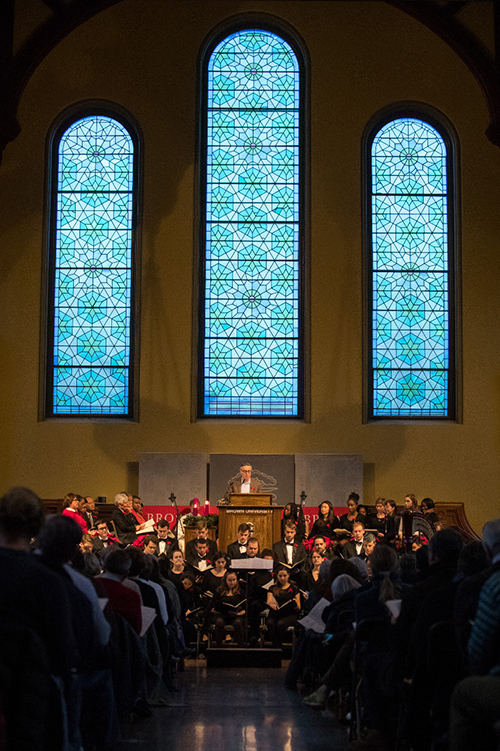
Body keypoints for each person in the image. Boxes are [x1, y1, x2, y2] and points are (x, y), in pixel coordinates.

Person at [266, 567, 301, 648]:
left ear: (288, 575)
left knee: (281, 623)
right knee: (270, 622)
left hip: (289, 614)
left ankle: (278, 646)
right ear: (277, 576)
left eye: (284, 576)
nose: (282, 578)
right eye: (280, 576)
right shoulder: (272, 588)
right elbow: (269, 601)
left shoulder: (294, 588)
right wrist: (272, 605)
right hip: (276, 613)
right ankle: (276, 646)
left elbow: (299, 607)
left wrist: (295, 606)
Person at [212, 571, 246, 647]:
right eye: (229, 580)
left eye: (234, 580)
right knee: (219, 622)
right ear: (225, 580)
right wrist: (215, 609)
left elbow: (245, 607)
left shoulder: (241, 591)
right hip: (222, 615)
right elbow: (213, 606)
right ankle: (218, 647)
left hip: (235, 615)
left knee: (238, 622)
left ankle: (241, 647)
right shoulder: (219, 591)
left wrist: (241, 613)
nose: (232, 583)